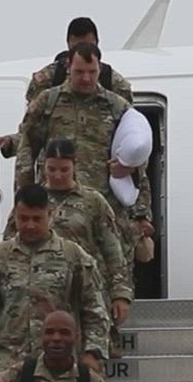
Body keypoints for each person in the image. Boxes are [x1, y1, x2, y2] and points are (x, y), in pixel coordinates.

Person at [0, 183, 111, 380]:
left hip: (60, 363)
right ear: (15, 216)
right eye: (24, 218)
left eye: (37, 219)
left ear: (51, 214)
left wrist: (93, 353)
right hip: (10, 363)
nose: (30, 225)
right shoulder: (0, 256)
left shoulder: (73, 256)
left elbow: (94, 308)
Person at [15, 41, 153, 246]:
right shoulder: (47, 103)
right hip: (57, 207)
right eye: (79, 71)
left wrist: (141, 212)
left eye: (92, 71)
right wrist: (24, 198)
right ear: (68, 67)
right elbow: (26, 150)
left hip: (105, 209)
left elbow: (139, 155)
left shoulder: (116, 107)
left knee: (113, 270)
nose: (86, 78)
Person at [39, 137, 132, 328]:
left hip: (85, 291)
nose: (57, 176)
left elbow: (112, 250)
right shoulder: (33, 199)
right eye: (52, 169)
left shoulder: (93, 202)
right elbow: (11, 243)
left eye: (64, 170)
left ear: (74, 166)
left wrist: (121, 294)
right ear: (44, 167)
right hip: (42, 293)